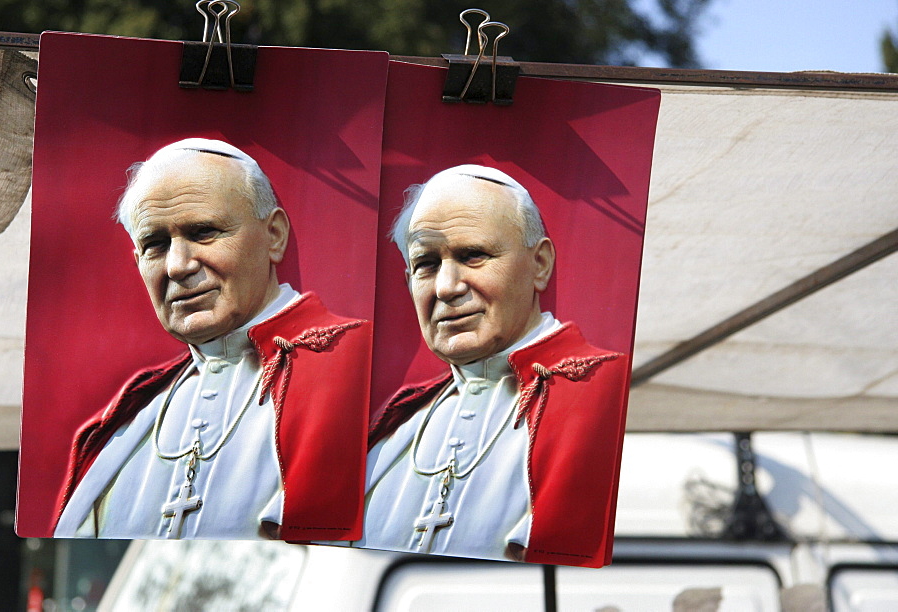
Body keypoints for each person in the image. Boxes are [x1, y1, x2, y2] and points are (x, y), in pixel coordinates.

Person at [54, 138, 372, 542]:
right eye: (155, 245)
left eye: (204, 232)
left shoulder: (355, 362)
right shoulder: (129, 415)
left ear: (274, 236)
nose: (178, 266)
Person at [359, 165, 629, 567]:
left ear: (540, 264)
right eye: (426, 264)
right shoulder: (394, 428)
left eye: (473, 256)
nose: (447, 287)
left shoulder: (607, 396)